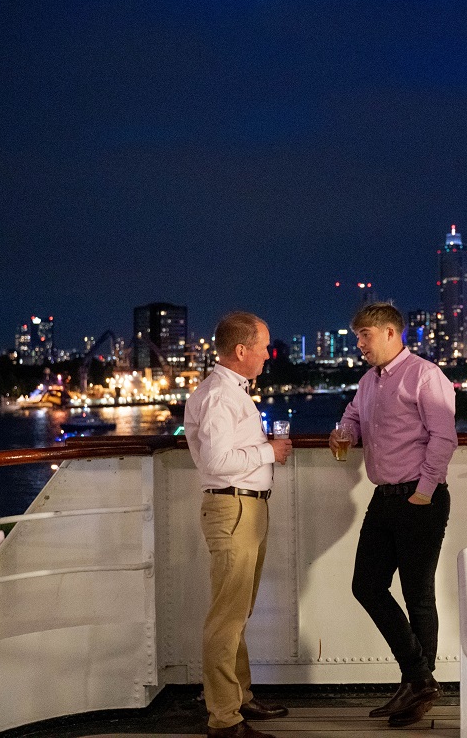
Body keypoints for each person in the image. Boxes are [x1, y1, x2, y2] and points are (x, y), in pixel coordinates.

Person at [331, 302, 458, 728]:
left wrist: (424, 491)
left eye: (365, 335)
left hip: (420, 497)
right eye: (357, 337)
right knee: (366, 586)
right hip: (384, 496)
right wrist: (344, 433)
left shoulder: (425, 375)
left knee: (418, 594)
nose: (359, 344)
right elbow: (352, 417)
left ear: (390, 332)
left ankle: (416, 688)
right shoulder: (369, 381)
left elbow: (444, 437)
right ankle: (420, 680)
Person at [185, 312, 292, 738]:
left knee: (238, 610)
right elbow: (216, 462)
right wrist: (269, 453)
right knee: (226, 617)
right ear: (241, 350)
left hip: (245, 508)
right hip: (234, 510)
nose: (268, 354)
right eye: (263, 347)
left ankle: (240, 697)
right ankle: (225, 718)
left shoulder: (232, 392)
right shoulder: (219, 397)